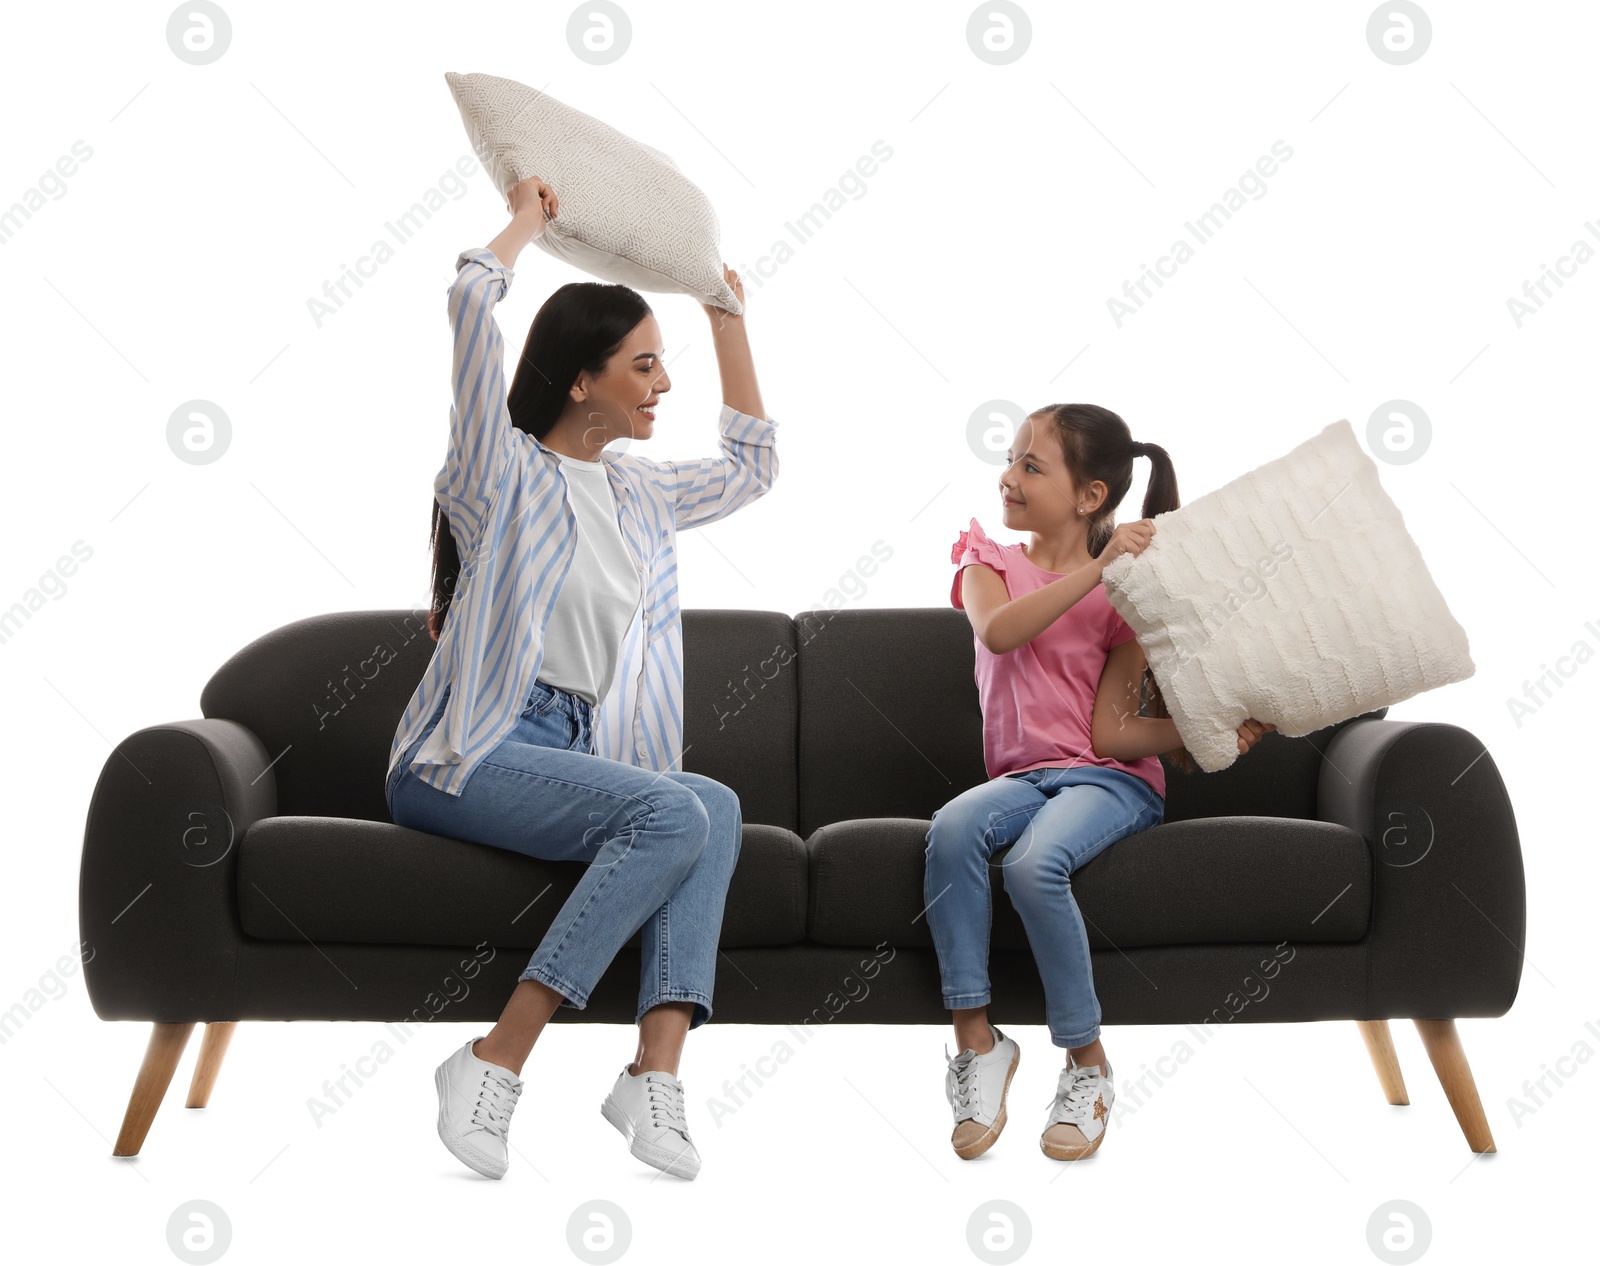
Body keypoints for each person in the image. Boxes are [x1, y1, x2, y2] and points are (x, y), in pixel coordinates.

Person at [384, 175, 779, 1181]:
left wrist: (723, 312)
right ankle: (492, 1060)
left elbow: (750, 466)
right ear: (579, 380)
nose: (662, 385)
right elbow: (472, 309)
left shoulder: (641, 493)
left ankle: (652, 1076)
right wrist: (528, 221)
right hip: (467, 751)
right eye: (643, 366)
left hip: (566, 749)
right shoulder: (499, 473)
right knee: (672, 817)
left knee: (713, 806)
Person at [926, 403, 1272, 1162]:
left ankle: (1088, 1065)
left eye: (1031, 465)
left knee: (1031, 864)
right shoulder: (986, 560)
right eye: (1012, 459)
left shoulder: (1119, 601)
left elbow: (1111, 734)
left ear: (1089, 497)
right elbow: (999, 631)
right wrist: (1100, 566)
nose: (1008, 476)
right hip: (1022, 778)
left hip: (1110, 783)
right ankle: (978, 1044)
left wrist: (1203, 734)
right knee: (951, 829)